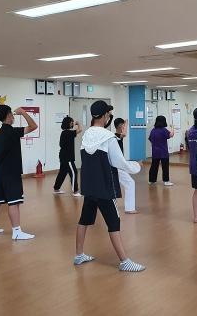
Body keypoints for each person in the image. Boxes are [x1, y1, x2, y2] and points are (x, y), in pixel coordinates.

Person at [74, 101, 145, 271]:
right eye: (108, 114)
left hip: (89, 186)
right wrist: (137, 166)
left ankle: (79, 255)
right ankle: (124, 261)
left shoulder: (86, 135)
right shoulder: (108, 137)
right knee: (114, 222)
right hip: (105, 187)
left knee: (84, 220)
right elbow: (119, 162)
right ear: (106, 115)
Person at [0, 105, 37, 240]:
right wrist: (23, 112)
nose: (13, 116)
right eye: (12, 114)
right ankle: (17, 232)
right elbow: (33, 126)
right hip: (11, 173)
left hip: (0, 172)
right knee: (14, 202)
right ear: (8, 115)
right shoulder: (12, 131)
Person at [53, 116, 82, 196]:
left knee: (62, 173)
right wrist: (78, 123)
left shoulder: (65, 133)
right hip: (67, 157)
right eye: (71, 122)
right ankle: (75, 191)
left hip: (63, 156)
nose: (72, 123)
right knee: (74, 172)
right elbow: (80, 130)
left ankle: (56, 188)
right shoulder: (68, 133)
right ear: (68, 123)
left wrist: (74, 124)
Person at [114, 118, 138, 214]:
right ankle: (129, 208)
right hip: (117, 166)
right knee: (130, 183)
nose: (124, 127)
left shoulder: (116, 136)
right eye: (123, 126)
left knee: (128, 183)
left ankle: (129, 208)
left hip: (118, 165)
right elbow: (124, 134)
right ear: (120, 126)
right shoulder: (116, 136)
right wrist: (127, 122)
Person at [148, 115, 174, 186]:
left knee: (154, 166)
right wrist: (172, 128)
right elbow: (171, 135)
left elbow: (150, 139)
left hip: (155, 152)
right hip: (163, 152)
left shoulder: (153, 130)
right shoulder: (164, 130)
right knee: (165, 167)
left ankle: (151, 180)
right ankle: (166, 181)